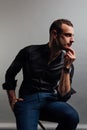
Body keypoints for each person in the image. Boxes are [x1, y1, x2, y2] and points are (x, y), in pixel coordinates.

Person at [2, 19, 79, 130]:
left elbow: (63, 96)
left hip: (50, 100)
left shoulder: (68, 62)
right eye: (68, 35)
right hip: (27, 100)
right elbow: (10, 74)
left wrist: (66, 68)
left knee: (72, 117)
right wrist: (12, 100)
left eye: (72, 36)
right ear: (54, 34)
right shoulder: (29, 52)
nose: (72, 40)